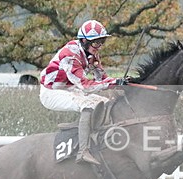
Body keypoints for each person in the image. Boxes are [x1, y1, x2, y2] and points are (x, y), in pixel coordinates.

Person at [40, 20, 126, 165]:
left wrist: (122, 82)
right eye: (96, 43)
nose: (99, 46)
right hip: (51, 92)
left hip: (70, 89)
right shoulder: (70, 55)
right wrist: (113, 83)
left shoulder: (92, 54)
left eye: (102, 42)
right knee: (87, 104)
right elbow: (85, 86)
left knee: (105, 103)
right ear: (84, 41)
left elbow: (102, 78)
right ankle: (83, 151)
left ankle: (99, 137)